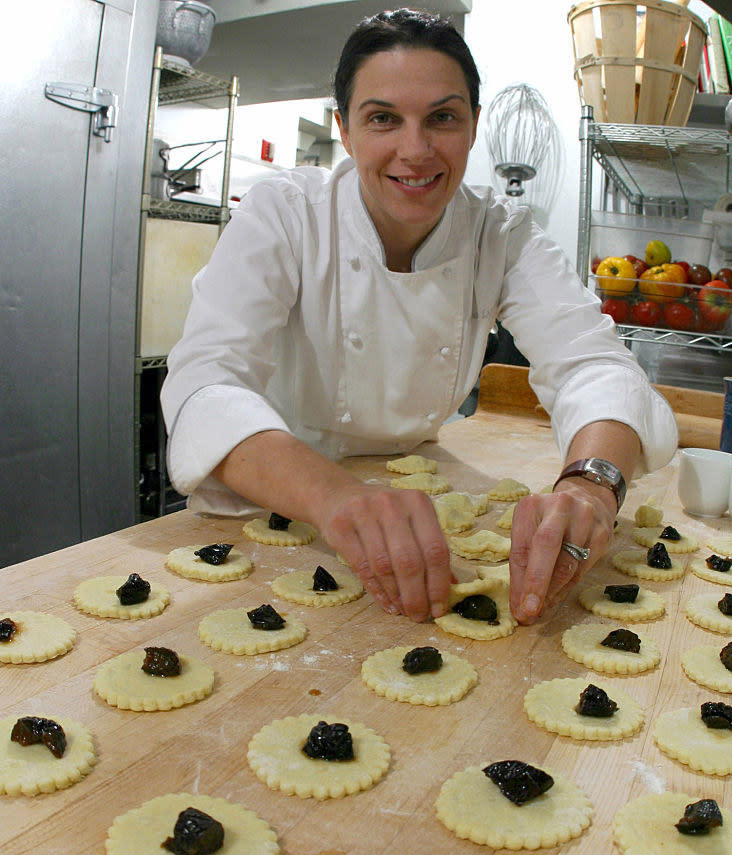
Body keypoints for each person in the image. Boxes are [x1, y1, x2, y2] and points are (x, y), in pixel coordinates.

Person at [161, 8, 677, 626]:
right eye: (383, 119)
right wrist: (335, 497)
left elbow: (593, 364)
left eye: (442, 118)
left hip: (422, 501)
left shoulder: (501, 234)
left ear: (474, 126)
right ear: (345, 131)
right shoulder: (287, 214)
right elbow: (205, 384)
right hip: (277, 501)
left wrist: (590, 486)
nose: (416, 150)